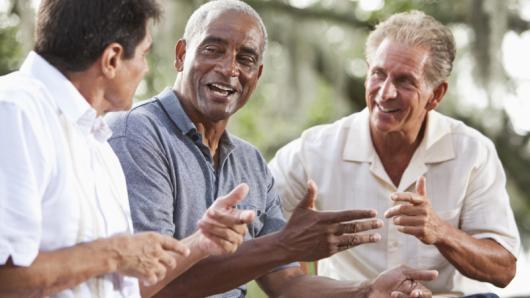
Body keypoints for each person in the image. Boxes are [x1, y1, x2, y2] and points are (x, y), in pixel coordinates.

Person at [107, 1, 439, 297]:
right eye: (213, 49)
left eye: (246, 58)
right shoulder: (138, 132)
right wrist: (283, 244)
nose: (230, 68)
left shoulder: (251, 162)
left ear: (258, 74)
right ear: (181, 55)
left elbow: (288, 283)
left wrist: (367, 290)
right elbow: (146, 284)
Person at [0, 0, 256, 297]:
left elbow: (128, 287)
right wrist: (115, 253)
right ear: (112, 59)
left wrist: (200, 243)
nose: (146, 70)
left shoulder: (97, 144)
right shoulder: (15, 113)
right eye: (144, 54)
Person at [269, 10, 520, 297]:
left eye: (404, 81)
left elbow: (504, 270)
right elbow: (258, 227)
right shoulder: (313, 150)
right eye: (378, 74)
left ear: (436, 95)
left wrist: (441, 231)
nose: (385, 93)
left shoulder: (473, 152)